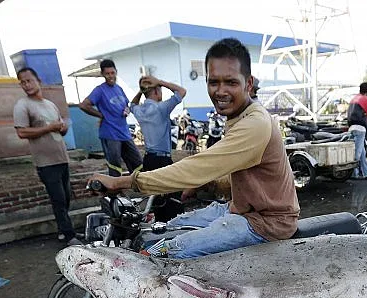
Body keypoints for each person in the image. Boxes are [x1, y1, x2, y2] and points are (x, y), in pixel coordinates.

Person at [87, 37, 299, 259]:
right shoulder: (238, 115)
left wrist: (122, 181)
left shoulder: (255, 123)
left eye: (231, 82)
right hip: (241, 208)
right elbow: (238, 173)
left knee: (162, 252)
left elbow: (198, 166)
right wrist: (206, 184)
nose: (220, 91)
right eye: (214, 82)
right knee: (169, 226)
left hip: (267, 222)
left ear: (248, 83)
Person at [14, 67, 79, 246]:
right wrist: (47, 128)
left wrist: (62, 127)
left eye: (29, 80)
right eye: (23, 82)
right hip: (45, 162)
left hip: (61, 157)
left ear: (38, 81)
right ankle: (69, 235)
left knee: (66, 197)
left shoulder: (49, 105)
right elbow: (22, 132)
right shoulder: (22, 105)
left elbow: (60, 127)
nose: (26, 85)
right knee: (58, 198)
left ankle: (62, 230)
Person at [80, 59, 142, 177]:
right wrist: (101, 115)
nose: (110, 76)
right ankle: (114, 194)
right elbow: (83, 105)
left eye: (112, 73)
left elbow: (126, 105)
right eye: (107, 73)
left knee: (137, 162)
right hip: (110, 134)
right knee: (115, 166)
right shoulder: (99, 90)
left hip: (124, 132)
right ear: (102, 74)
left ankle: (140, 189)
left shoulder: (119, 88)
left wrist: (127, 110)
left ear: (116, 72)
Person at [129, 75, 186, 172]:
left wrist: (141, 90)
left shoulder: (139, 110)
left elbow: (132, 105)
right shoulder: (161, 108)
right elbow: (182, 91)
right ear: (156, 91)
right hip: (162, 159)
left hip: (148, 159)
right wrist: (160, 82)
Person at [348, 82, 367, 179]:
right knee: (358, 153)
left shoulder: (354, 98)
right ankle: (353, 173)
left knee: (362, 151)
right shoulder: (364, 99)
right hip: (360, 128)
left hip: (351, 127)